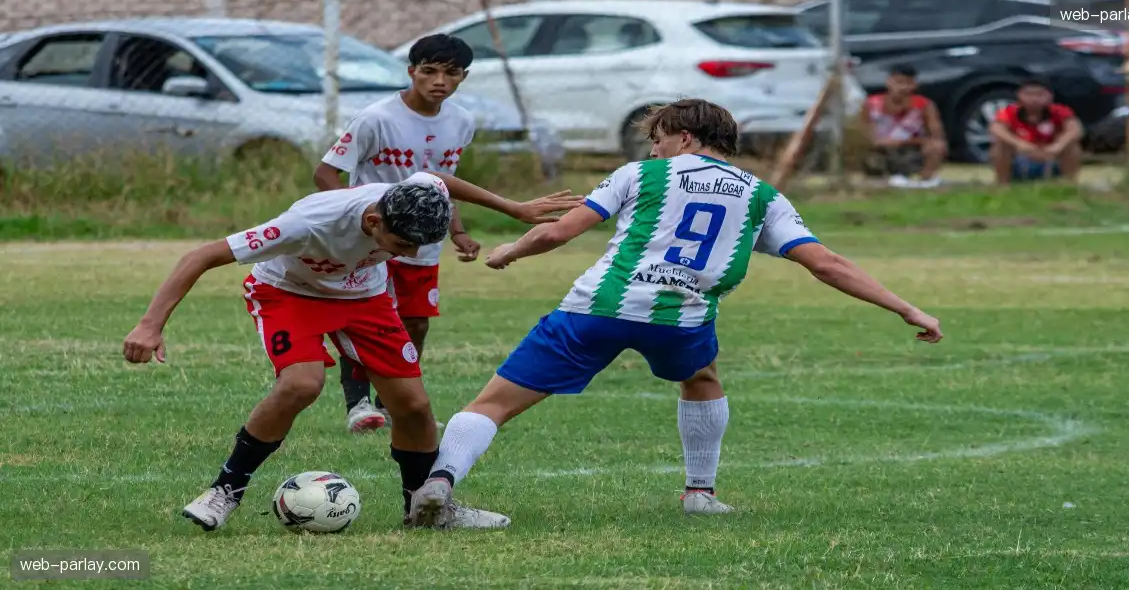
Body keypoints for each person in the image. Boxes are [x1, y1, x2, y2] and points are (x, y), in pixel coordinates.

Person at [404, 99, 945, 528]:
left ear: (683, 137)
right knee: (702, 377)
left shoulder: (640, 175)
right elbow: (825, 264)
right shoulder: (761, 195)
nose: (655, 149)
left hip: (599, 308)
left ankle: (441, 482)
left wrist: (510, 251)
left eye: (658, 139)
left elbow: (562, 229)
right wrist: (905, 306)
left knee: (494, 402)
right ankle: (700, 494)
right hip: (681, 320)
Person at [121, 171, 583, 532]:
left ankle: (422, 509)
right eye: (402, 245)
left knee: (414, 406)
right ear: (372, 221)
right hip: (290, 294)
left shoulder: (413, 195)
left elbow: (439, 179)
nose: (409, 253)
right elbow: (200, 255)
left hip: (365, 298)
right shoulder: (307, 223)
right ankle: (225, 491)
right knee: (302, 384)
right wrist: (150, 324)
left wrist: (514, 208)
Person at [314, 34, 482, 433]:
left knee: (417, 323)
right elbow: (325, 174)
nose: (439, 80)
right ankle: (358, 405)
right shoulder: (377, 118)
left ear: (463, 77)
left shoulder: (461, 122)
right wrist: (356, 219)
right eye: (429, 71)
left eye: (450, 72)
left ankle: (392, 404)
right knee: (367, 322)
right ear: (412, 72)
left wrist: (457, 231)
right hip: (375, 245)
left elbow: (446, 184)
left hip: (423, 246)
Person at [860, 64, 947, 188]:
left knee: (937, 146)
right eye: (898, 82)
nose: (901, 87)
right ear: (888, 82)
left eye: (907, 83)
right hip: (881, 152)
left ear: (914, 85)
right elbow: (865, 133)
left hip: (911, 150)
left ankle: (926, 180)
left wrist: (905, 141)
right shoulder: (871, 104)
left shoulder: (924, 105)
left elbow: (936, 136)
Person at [989, 78, 1083, 185]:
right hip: (1020, 160)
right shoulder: (1009, 111)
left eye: (1040, 95)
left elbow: (1075, 129)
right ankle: (1002, 184)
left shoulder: (1060, 111)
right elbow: (996, 129)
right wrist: (1019, 144)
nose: (1034, 99)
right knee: (1000, 145)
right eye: (1029, 94)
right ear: (1019, 95)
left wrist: (1058, 146)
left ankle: (1069, 183)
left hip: (1051, 160)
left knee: (1072, 146)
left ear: (1050, 96)